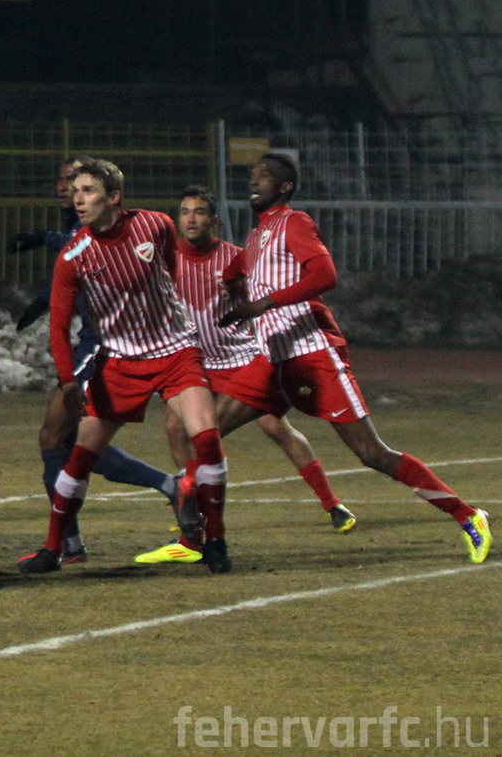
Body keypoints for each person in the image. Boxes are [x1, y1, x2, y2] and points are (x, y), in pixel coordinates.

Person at [219, 153, 490, 563]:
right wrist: (232, 290)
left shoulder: (294, 223)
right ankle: (197, 536)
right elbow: (234, 270)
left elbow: (325, 275)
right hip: (273, 359)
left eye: (265, 176)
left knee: (371, 453)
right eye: (252, 175)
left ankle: (467, 515)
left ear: (285, 187)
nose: (254, 181)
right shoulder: (257, 237)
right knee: (205, 431)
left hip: (313, 352)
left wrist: (262, 304)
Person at [20, 158, 233, 574]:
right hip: (119, 360)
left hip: (174, 352)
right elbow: (59, 326)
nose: (78, 199)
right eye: (75, 191)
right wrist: (68, 382)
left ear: (114, 197)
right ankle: (54, 548)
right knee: (79, 458)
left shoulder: (155, 225)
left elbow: (170, 270)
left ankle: (217, 541)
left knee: (206, 439)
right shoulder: (73, 255)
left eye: (88, 191)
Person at [139, 185, 355, 566]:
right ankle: (192, 513)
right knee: (176, 428)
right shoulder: (166, 260)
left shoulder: (236, 258)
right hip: (195, 362)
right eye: (185, 212)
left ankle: (331, 503)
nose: (191, 219)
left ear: (214, 220)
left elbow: (266, 293)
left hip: (239, 357)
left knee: (275, 426)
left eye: (199, 212)